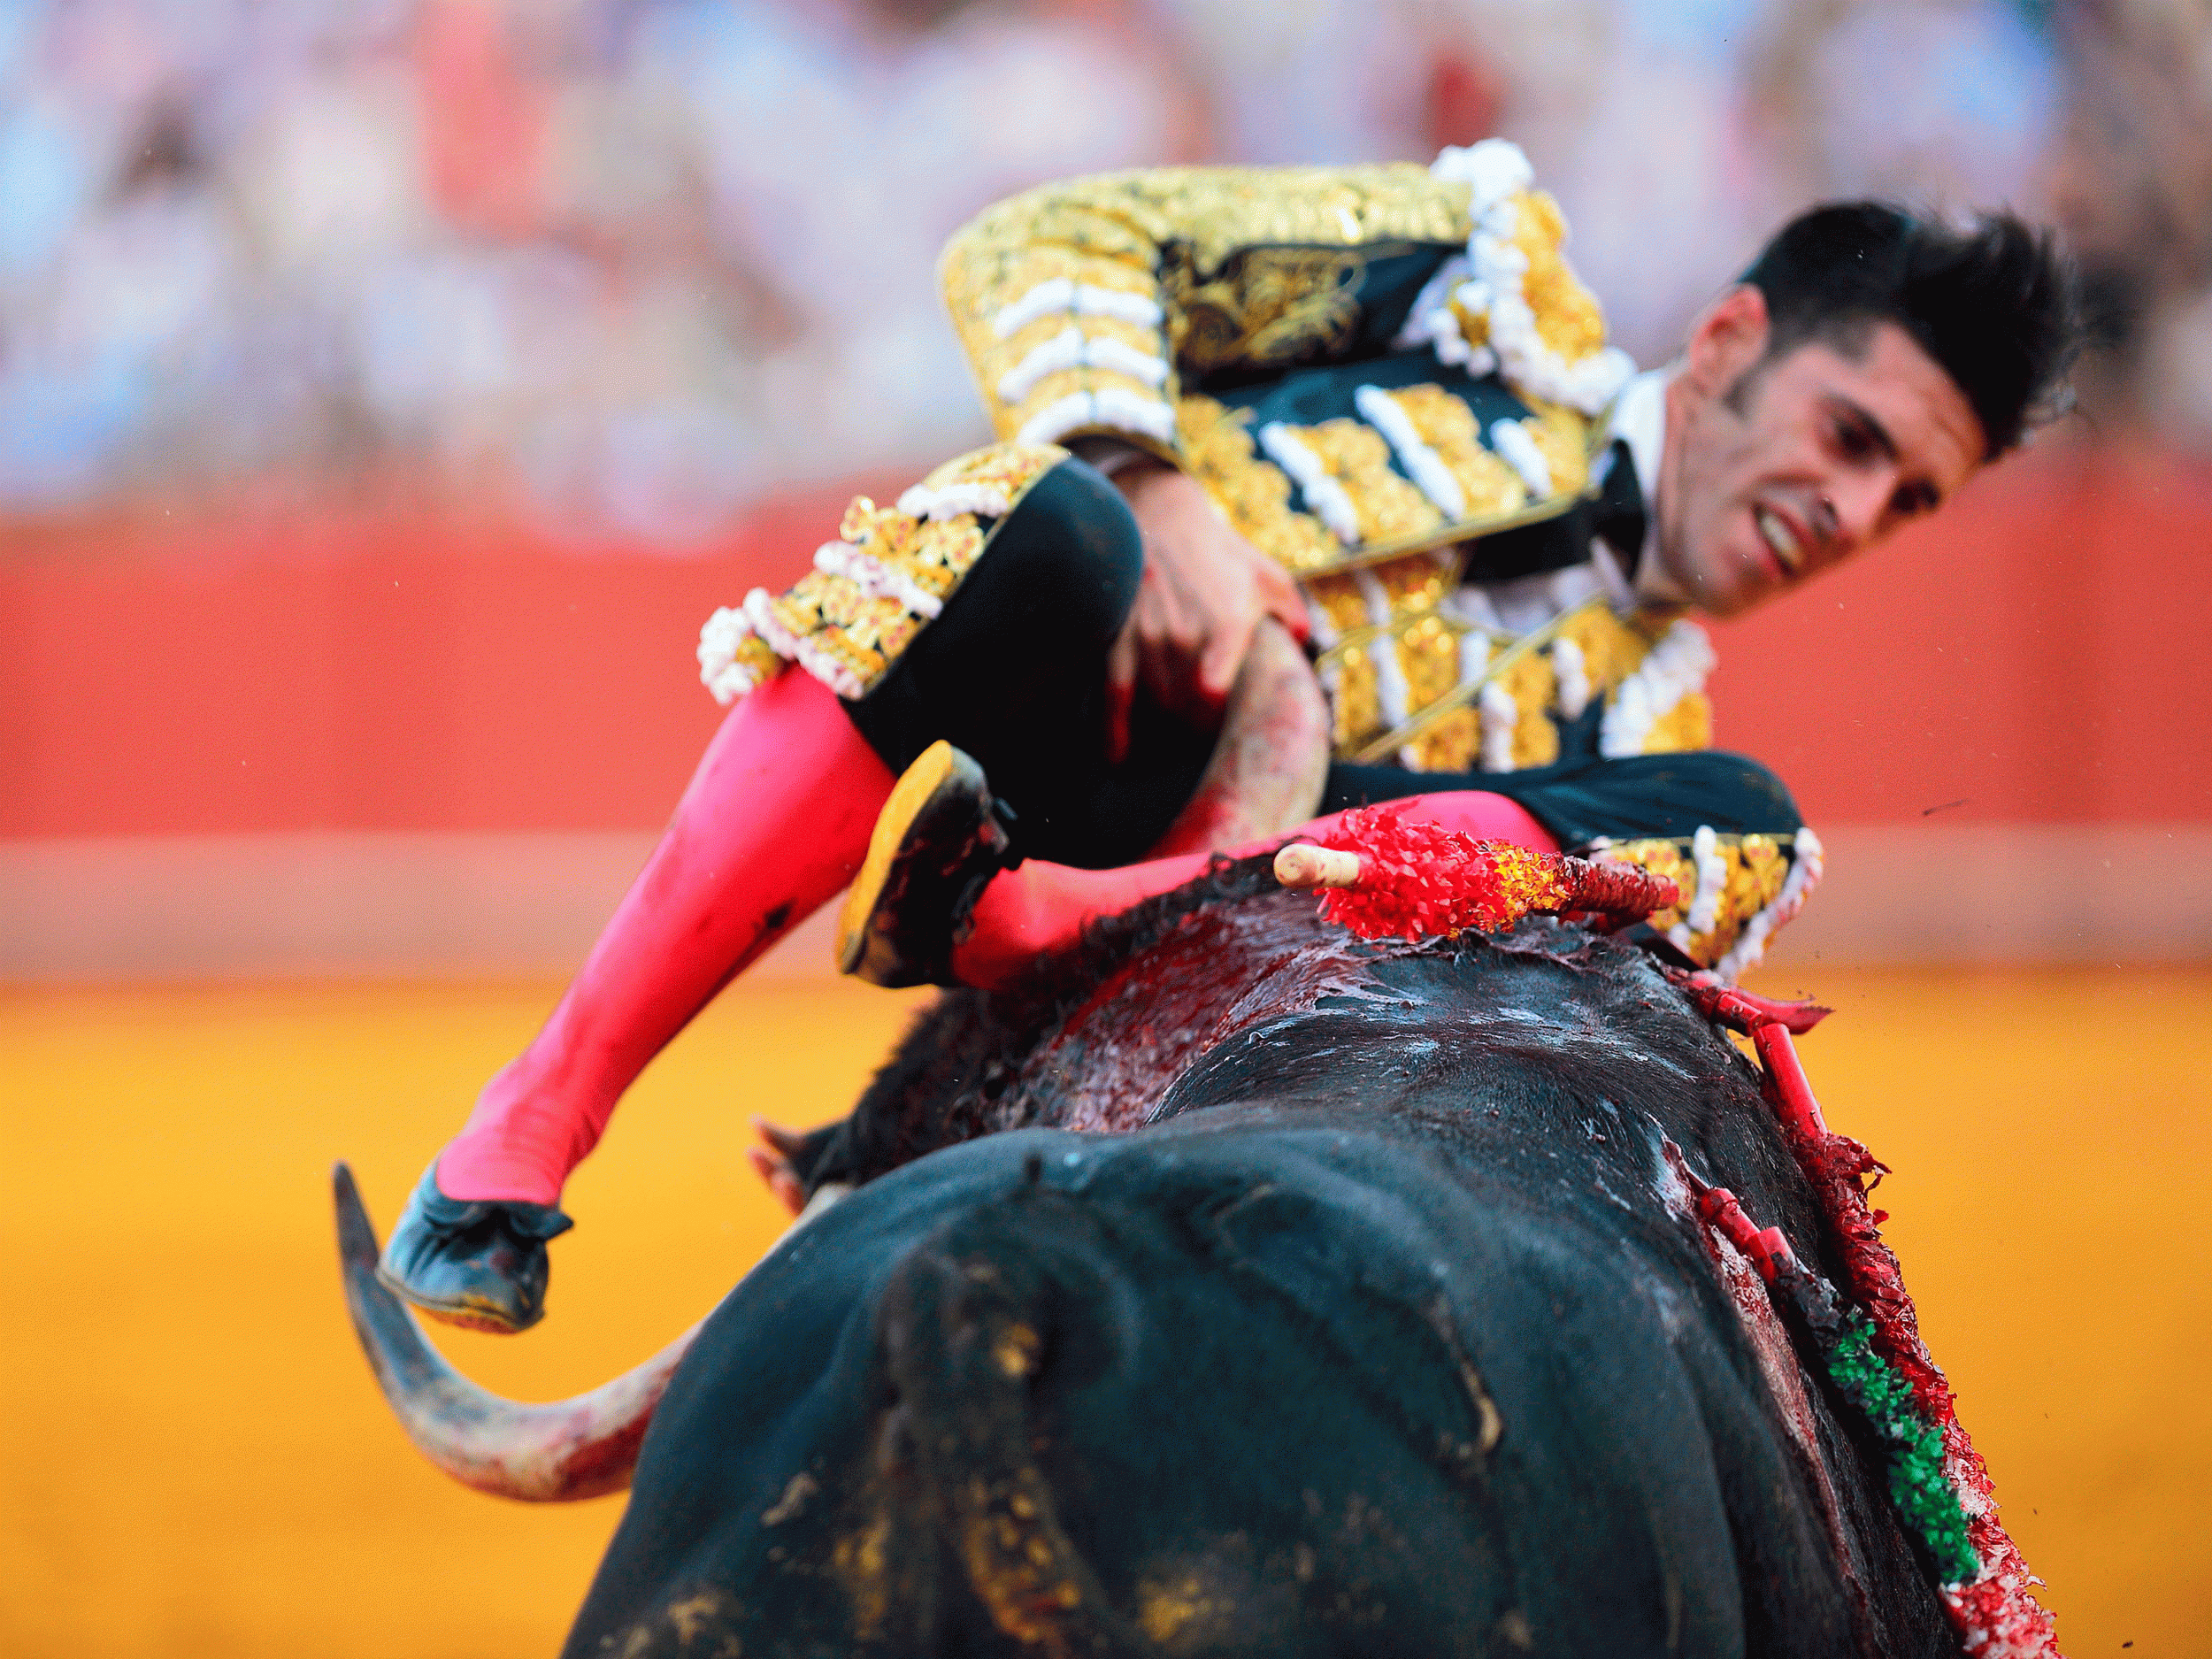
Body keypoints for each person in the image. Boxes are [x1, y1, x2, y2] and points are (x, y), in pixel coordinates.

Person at [377, 142, 2078, 1334]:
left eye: (1905, 499)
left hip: (1230, 943)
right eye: (1851, 436)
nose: (1852, 513)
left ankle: (1058, 924)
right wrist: (1161, 479)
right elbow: (1039, 245)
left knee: (1739, 829)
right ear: (1727, 345)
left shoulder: (1652, 738)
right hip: (1070, 741)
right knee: (1053, 526)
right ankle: (542, 1107)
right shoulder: (1472, 292)